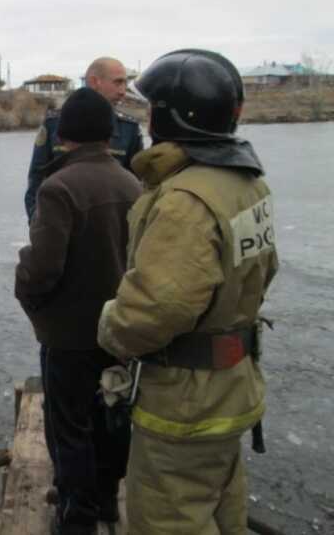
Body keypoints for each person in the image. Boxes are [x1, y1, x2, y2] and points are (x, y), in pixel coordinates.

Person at [97, 49, 279, 535]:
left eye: (152, 106)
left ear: (172, 116)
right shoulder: (245, 183)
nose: (147, 115)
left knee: (168, 520)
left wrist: (111, 325)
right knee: (224, 511)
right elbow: (263, 271)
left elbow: (156, 309)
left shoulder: (184, 200)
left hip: (185, 405)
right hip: (233, 388)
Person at [15, 87, 142, 535]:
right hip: (119, 331)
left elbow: (43, 268)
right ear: (109, 135)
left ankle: (77, 516)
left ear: (63, 134)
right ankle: (107, 498)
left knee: (68, 427)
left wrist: (25, 288)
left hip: (68, 335)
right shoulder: (134, 184)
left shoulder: (58, 187)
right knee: (111, 418)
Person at [24, 57, 143, 222]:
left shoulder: (128, 128)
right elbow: (36, 181)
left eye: (125, 84)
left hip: (112, 232)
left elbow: (138, 186)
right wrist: (39, 228)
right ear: (95, 81)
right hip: (60, 228)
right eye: (118, 83)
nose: (123, 91)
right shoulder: (55, 124)